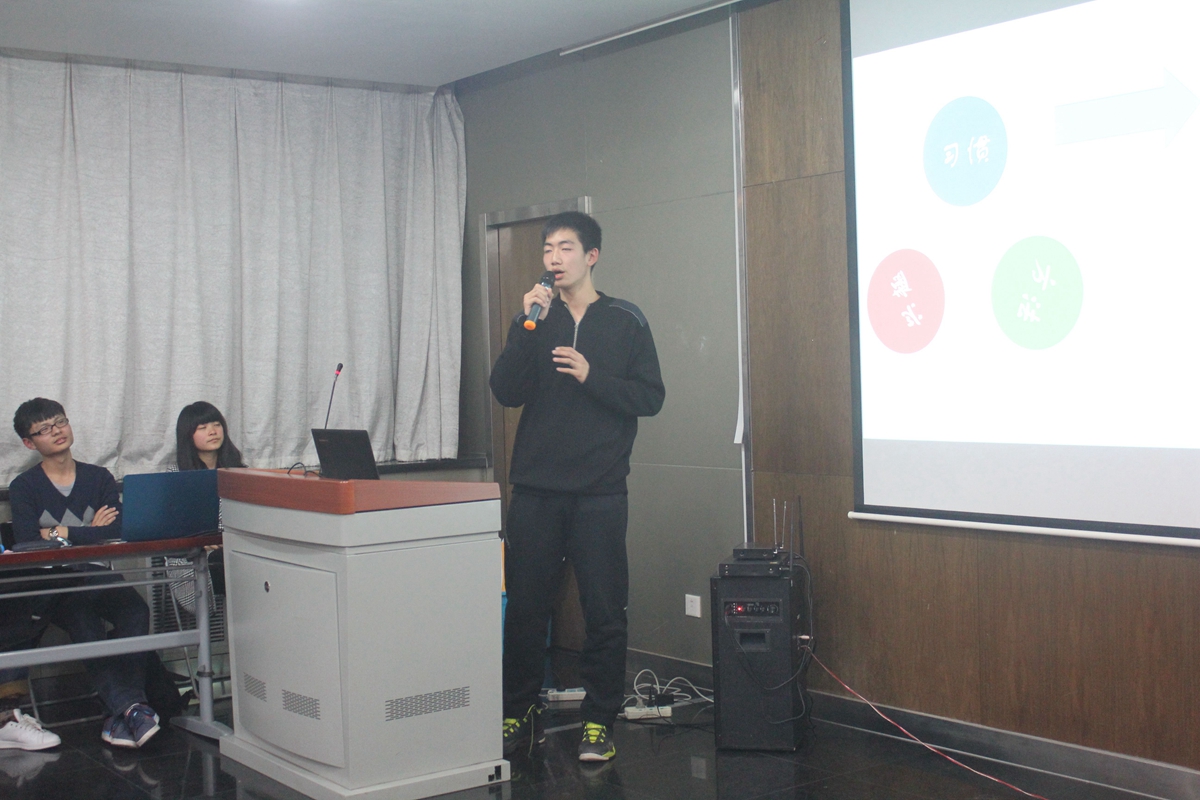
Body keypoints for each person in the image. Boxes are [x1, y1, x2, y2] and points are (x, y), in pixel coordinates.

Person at [489, 212, 665, 763]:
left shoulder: (626, 320)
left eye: (565, 248)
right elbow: (505, 391)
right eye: (547, 249)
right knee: (525, 609)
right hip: (536, 489)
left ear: (592, 256)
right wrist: (525, 329)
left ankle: (598, 721)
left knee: (604, 612)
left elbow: (650, 397)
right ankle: (518, 711)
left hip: (600, 493)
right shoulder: (534, 319)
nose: (553, 258)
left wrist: (593, 377)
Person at [7, 398, 161, 748]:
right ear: (29, 443)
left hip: (96, 572)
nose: (56, 431)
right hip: (54, 580)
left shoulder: (98, 477)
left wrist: (59, 532)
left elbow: (118, 529)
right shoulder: (24, 486)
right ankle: (133, 709)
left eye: (60, 421)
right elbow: (27, 542)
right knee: (83, 619)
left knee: (136, 610)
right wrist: (88, 531)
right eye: (44, 429)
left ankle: (122, 712)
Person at [166, 401, 245, 613]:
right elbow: (175, 526)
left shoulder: (240, 471)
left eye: (216, 424)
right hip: (193, 555)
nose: (212, 431)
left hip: (236, 548)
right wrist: (204, 539)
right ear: (187, 435)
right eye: (202, 427)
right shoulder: (176, 476)